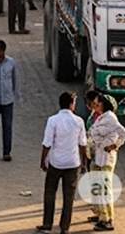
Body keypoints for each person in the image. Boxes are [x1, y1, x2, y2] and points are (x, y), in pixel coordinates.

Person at [38, 91, 88, 234]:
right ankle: (64, 227)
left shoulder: (53, 120)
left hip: (56, 162)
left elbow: (47, 144)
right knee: (69, 196)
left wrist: (42, 161)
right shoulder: (79, 121)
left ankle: (47, 223)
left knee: (50, 191)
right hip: (73, 163)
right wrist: (85, 162)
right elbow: (83, 144)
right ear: (71, 105)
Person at [84, 91, 125, 231]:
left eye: (98, 103)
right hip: (97, 156)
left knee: (104, 189)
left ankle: (108, 219)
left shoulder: (110, 118)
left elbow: (124, 133)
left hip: (105, 158)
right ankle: (100, 214)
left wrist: (114, 146)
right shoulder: (100, 117)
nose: (95, 105)